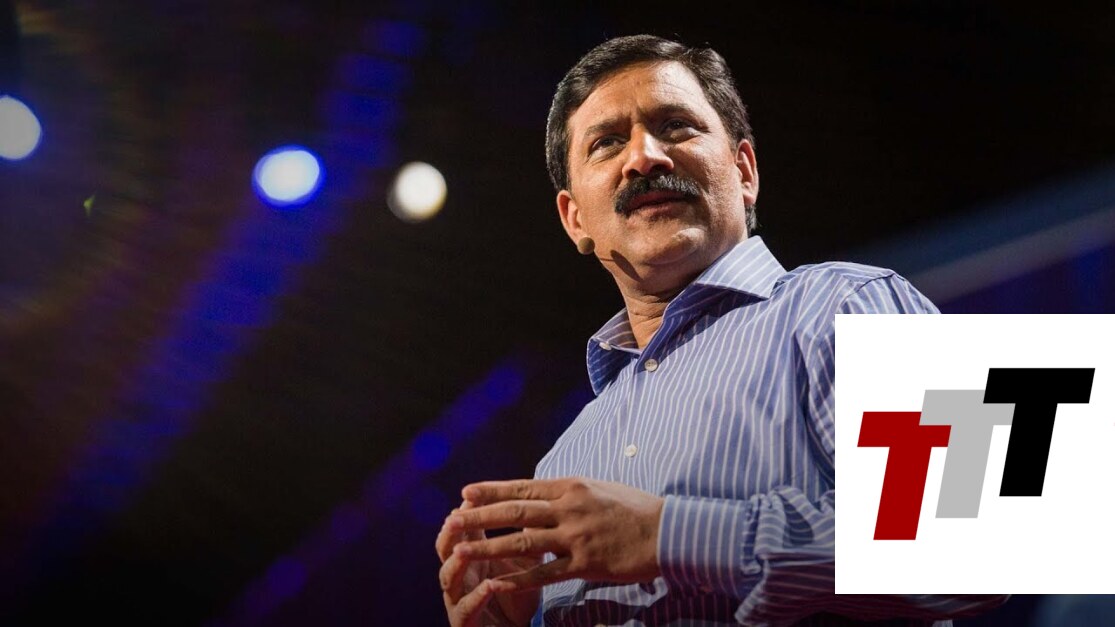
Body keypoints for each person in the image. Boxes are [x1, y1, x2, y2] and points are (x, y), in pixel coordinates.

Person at [435, 35, 1008, 626]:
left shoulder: (851, 302)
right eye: (607, 143)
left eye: (676, 126)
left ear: (744, 171)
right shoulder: (562, 460)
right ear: (574, 218)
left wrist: (668, 535)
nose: (644, 158)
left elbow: (985, 536)